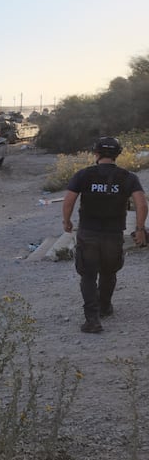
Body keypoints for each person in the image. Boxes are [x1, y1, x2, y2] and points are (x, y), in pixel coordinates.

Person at [62, 136, 147, 333]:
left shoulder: (83, 175)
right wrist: (140, 229)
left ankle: (92, 319)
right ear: (118, 154)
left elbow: (68, 202)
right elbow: (142, 204)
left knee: (88, 275)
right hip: (114, 234)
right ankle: (105, 307)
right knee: (109, 272)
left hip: (88, 233)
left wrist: (67, 222)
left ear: (96, 153)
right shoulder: (128, 177)